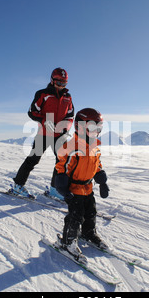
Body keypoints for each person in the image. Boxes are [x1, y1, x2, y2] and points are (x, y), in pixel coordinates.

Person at [54, 108, 110, 260]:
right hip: (74, 189)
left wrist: (102, 182)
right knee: (75, 216)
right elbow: (62, 166)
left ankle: (88, 233)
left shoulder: (95, 147)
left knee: (91, 213)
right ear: (80, 127)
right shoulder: (70, 146)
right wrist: (62, 186)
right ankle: (68, 242)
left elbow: (97, 165)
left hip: (88, 188)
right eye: (92, 128)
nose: (96, 132)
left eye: (98, 129)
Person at [12, 68, 74, 199]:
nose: (61, 86)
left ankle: (55, 190)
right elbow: (32, 112)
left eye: (64, 83)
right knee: (33, 159)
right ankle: (18, 185)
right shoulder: (42, 94)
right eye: (59, 83)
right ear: (52, 80)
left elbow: (70, 115)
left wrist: (65, 127)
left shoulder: (68, 97)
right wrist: (45, 121)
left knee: (62, 162)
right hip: (44, 134)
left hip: (60, 135)